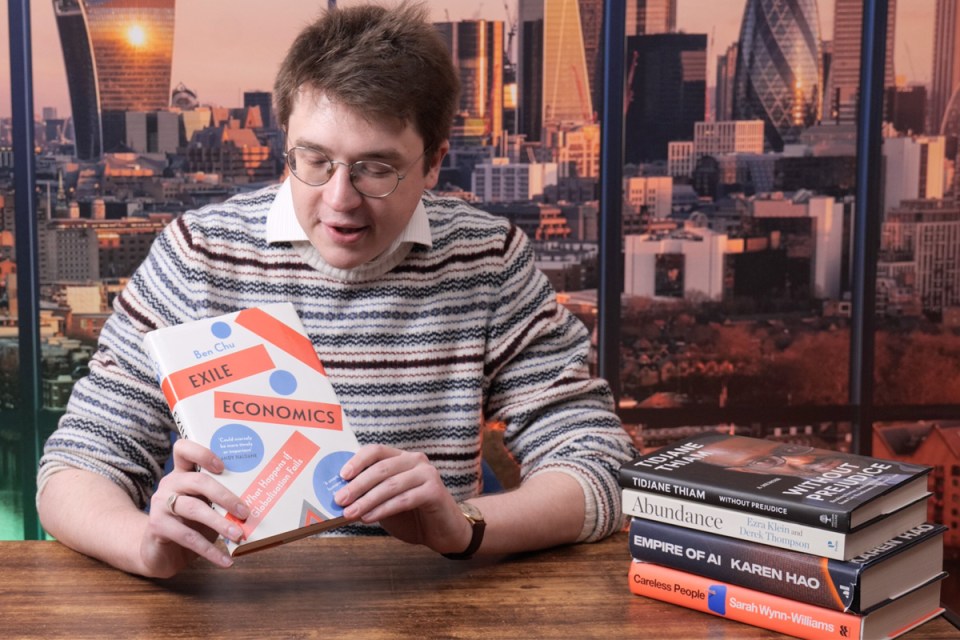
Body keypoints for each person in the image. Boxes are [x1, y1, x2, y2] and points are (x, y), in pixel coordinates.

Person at [36, 2, 636, 578]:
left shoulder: (488, 260)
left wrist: (464, 527)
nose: (340, 199)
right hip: (229, 606)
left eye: (376, 167)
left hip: (431, 609)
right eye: (314, 160)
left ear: (433, 164)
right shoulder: (200, 253)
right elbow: (74, 469)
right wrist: (145, 544)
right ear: (285, 144)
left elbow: (599, 466)